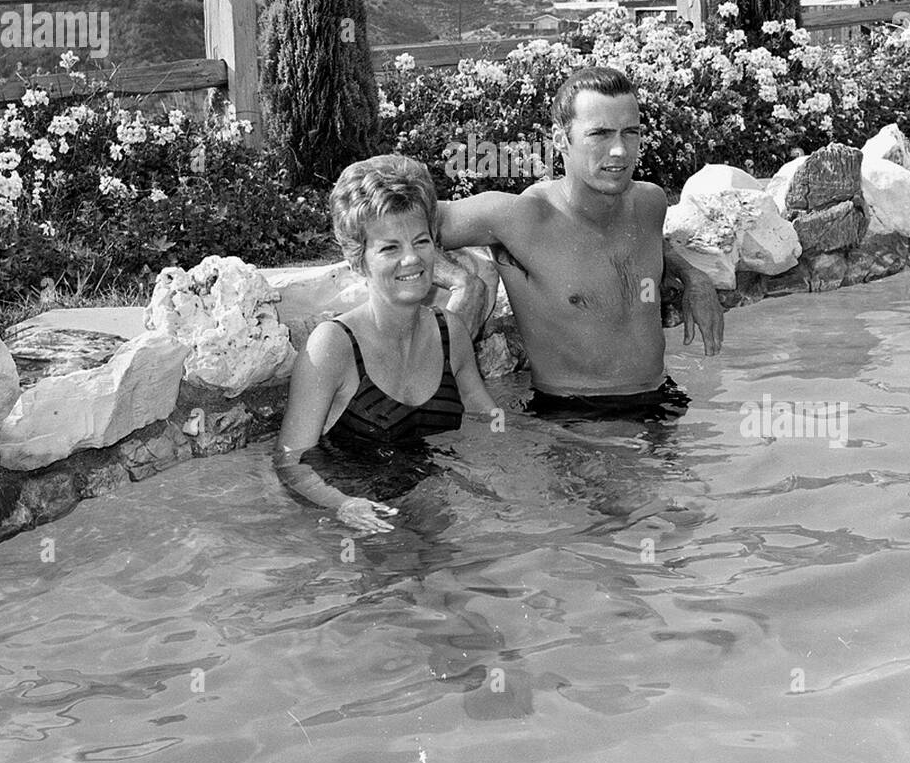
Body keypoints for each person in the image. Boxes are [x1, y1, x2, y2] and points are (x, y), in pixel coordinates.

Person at [436, 65, 724, 419]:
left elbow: (646, 248)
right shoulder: (521, 218)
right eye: (600, 134)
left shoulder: (649, 203)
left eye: (630, 133)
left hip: (662, 399)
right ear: (561, 140)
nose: (619, 151)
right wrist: (459, 278)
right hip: (576, 415)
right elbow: (394, 217)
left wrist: (693, 276)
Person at [275, 154, 498, 534]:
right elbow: (290, 461)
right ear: (358, 260)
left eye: (421, 241)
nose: (411, 259)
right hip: (365, 525)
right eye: (389, 248)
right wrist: (343, 505)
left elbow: (489, 420)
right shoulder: (333, 346)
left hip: (435, 512)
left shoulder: (451, 333)